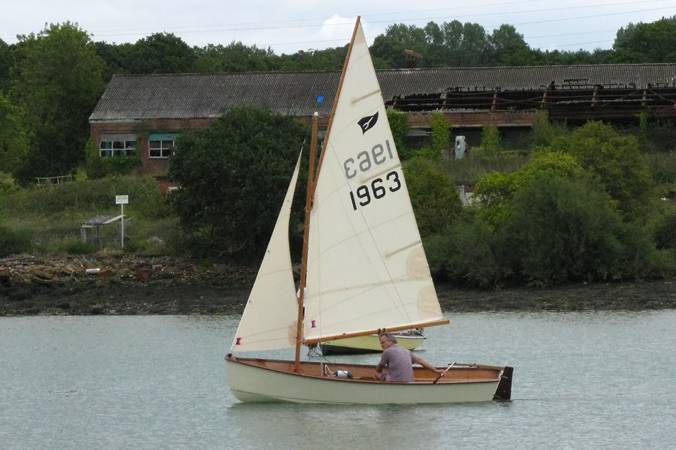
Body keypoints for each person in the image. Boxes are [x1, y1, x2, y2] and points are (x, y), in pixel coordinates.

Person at [375, 332, 441, 383]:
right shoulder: (406, 350)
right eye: (380, 343)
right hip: (410, 382)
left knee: (377, 375)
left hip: (396, 382)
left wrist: (379, 372)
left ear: (390, 341)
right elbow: (420, 360)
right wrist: (435, 370)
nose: (381, 345)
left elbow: (378, 369)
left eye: (383, 342)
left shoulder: (387, 351)